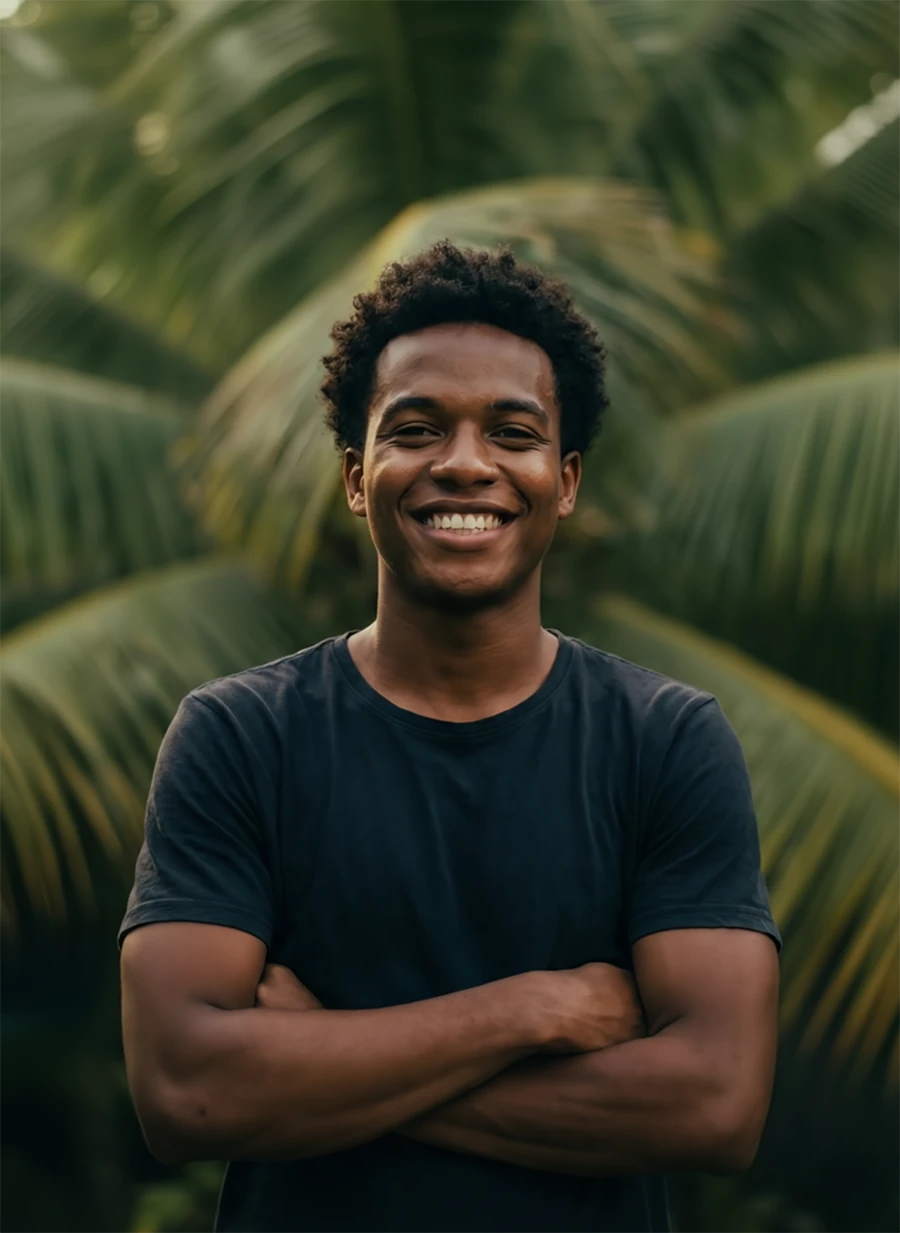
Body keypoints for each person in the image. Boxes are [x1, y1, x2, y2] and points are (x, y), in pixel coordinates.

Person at [119, 241, 781, 1233]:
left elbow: (716, 1104)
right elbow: (186, 1093)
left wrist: (327, 1059)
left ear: (563, 481)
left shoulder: (665, 741)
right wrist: (532, 1013)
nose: (464, 463)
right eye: (417, 428)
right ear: (357, 475)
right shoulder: (241, 736)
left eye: (511, 432)